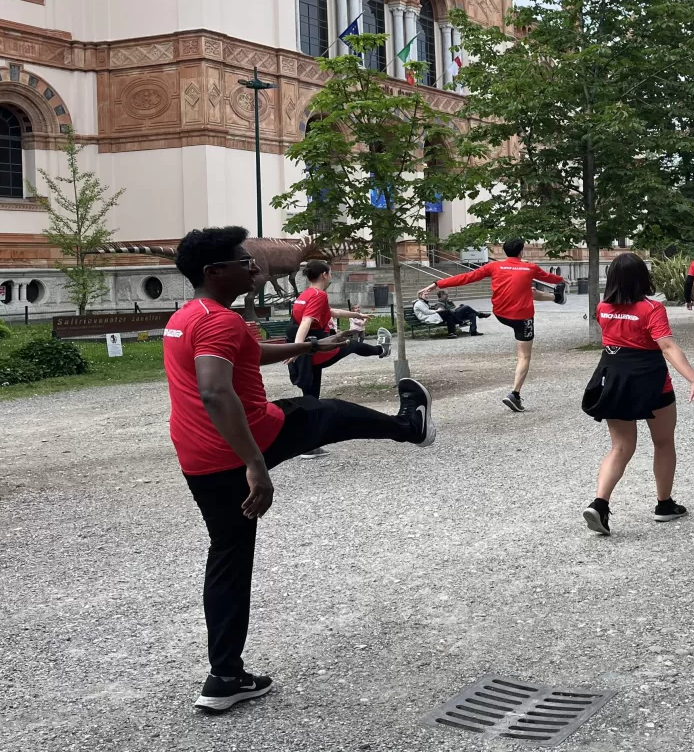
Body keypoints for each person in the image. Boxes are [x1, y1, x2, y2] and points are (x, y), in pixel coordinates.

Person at [163, 227, 435, 713]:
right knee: (325, 414)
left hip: (197, 456)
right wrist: (255, 465)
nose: (254, 269)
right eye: (243, 262)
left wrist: (309, 348)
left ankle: (224, 677)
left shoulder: (187, 317)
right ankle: (409, 427)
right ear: (213, 272)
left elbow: (249, 355)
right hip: (243, 444)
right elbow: (213, 390)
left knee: (228, 556)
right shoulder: (219, 323)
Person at [581, 253, 694, 536]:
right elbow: (666, 347)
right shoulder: (652, 309)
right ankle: (664, 505)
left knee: (620, 447)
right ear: (643, 277)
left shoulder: (602, 308)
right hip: (650, 380)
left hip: (613, 378)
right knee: (663, 442)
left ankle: (599, 504)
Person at [422, 238, 565, 413]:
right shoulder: (530, 267)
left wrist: (437, 284)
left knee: (529, 291)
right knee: (524, 357)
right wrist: (562, 280)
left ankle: (557, 298)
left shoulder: (494, 266)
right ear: (521, 252)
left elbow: (466, 277)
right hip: (523, 319)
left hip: (501, 315)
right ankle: (515, 394)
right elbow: (551, 277)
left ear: (505, 251)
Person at [285, 260, 393, 459]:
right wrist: (298, 349)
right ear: (325, 274)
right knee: (350, 344)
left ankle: (307, 446)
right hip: (314, 350)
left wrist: (356, 313)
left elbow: (330, 312)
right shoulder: (319, 294)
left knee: (310, 397)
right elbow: (307, 322)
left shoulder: (305, 294)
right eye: (331, 272)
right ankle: (381, 349)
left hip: (308, 352)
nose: (331, 275)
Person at [412, 289, 486, 338]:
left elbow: (428, 310)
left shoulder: (423, 302)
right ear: (420, 295)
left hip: (432, 315)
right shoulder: (419, 303)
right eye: (425, 295)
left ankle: (451, 333)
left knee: (449, 316)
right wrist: (437, 310)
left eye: (427, 294)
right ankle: (461, 321)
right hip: (426, 318)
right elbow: (426, 312)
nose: (427, 296)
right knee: (448, 312)